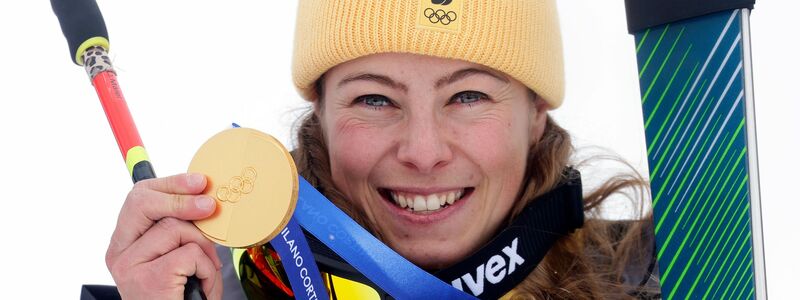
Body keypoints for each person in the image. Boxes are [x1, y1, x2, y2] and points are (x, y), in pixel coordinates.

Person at [104, 0, 659, 299]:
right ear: (320, 113)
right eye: (374, 99)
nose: (423, 151)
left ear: (535, 114)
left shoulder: (670, 276)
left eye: (468, 96)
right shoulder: (211, 292)